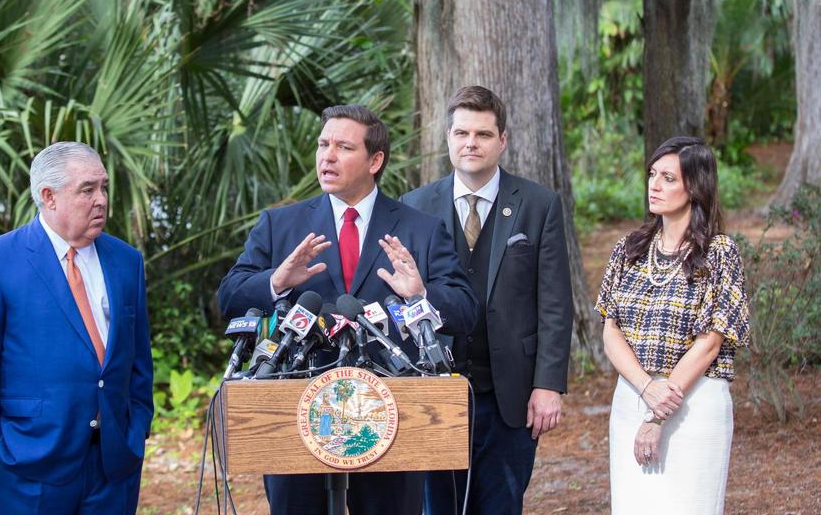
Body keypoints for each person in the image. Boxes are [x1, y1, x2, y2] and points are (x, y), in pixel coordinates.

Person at [218, 104, 477, 515]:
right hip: (296, 411)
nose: (327, 156)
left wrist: (420, 295)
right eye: (323, 144)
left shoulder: (420, 230)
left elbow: (465, 309)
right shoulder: (279, 225)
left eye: (343, 146)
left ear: (375, 161)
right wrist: (276, 281)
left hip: (390, 413)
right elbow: (228, 296)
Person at [0, 142, 154, 514]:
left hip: (113, 462)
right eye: (87, 189)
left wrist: (138, 423)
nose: (101, 200)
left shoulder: (126, 261)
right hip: (30, 462)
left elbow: (138, 356)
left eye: (103, 187)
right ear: (49, 197)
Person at [400, 85, 572, 515]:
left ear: (503, 140)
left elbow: (555, 302)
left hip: (509, 396)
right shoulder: (415, 207)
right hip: (434, 395)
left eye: (482, 134)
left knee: (501, 506)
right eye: (461, 133)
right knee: (436, 507)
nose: (470, 143)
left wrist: (548, 384)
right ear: (448, 139)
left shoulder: (539, 204)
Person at [595, 136, 750, 514]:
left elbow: (710, 342)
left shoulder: (719, 253)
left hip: (694, 404)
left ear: (694, 188)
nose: (654, 184)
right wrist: (646, 389)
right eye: (652, 175)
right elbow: (610, 330)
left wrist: (659, 410)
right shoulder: (629, 248)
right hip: (632, 396)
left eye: (668, 178)